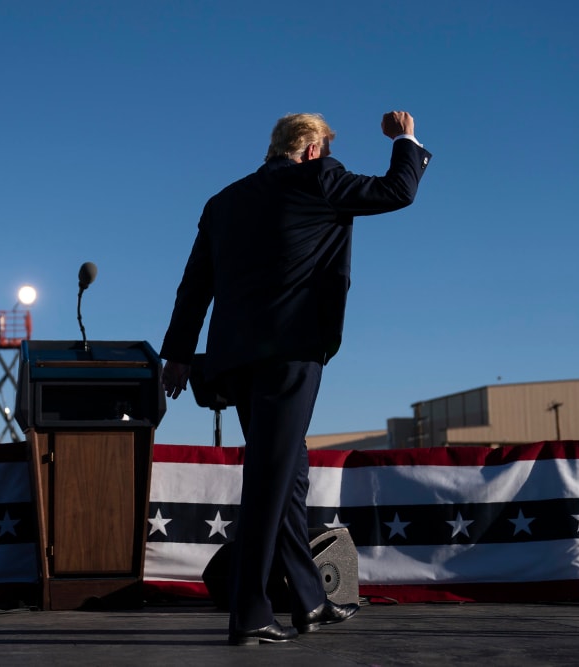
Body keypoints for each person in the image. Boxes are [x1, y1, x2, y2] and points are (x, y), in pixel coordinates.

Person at [159, 111, 431, 646]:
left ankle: (308, 600)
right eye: (326, 150)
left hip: (234, 358)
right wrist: (405, 138)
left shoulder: (223, 201)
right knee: (269, 477)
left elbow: (194, 284)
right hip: (290, 353)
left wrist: (180, 355)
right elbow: (399, 190)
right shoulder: (320, 178)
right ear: (311, 149)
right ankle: (249, 610)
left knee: (288, 473)